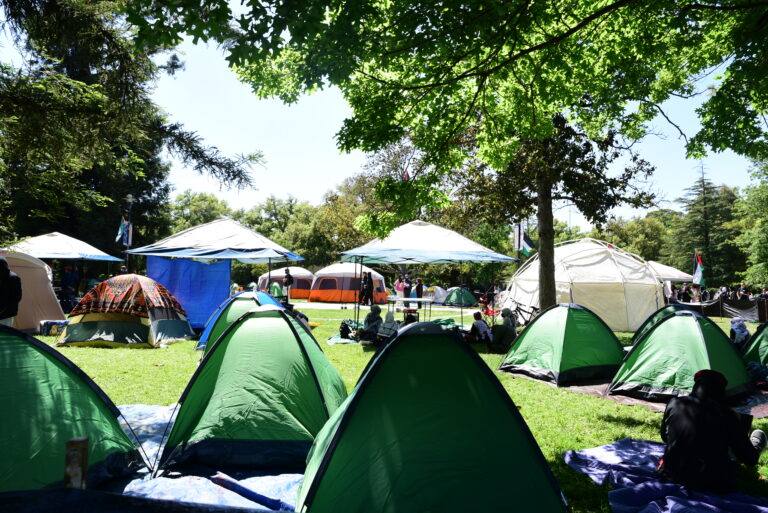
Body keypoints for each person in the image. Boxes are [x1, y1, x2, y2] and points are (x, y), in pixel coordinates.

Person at [659, 369, 766, 493]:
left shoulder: (674, 403)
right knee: (738, 450)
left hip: (671, 473)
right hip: (710, 482)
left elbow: (664, 436)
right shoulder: (727, 415)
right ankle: (756, 446)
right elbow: (750, 459)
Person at [0, 257, 22, 327]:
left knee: (4, 334)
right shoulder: (12, 276)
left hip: (7, 313)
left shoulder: (13, 277)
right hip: (7, 312)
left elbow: (16, 297)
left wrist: (2, 309)